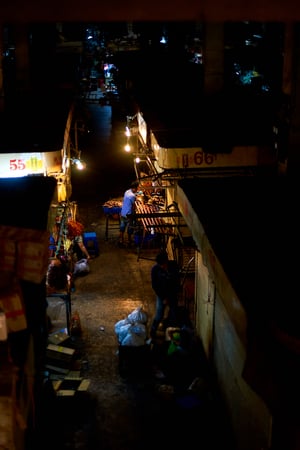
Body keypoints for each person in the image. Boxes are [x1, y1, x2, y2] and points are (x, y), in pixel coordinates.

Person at [150, 251, 180, 339]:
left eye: (163, 264)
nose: (162, 267)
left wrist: (171, 296)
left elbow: (176, 282)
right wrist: (163, 297)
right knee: (159, 314)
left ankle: (174, 337)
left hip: (172, 294)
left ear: (167, 261)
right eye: (160, 265)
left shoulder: (174, 266)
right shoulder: (155, 269)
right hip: (161, 295)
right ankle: (153, 331)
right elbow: (155, 286)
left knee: (174, 315)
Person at [118, 180, 139, 247]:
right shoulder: (132, 196)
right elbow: (133, 206)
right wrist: (136, 211)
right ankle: (129, 240)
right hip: (128, 215)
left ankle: (121, 240)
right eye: (137, 188)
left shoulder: (127, 191)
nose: (137, 190)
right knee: (130, 228)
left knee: (122, 228)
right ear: (135, 188)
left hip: (123, 213)